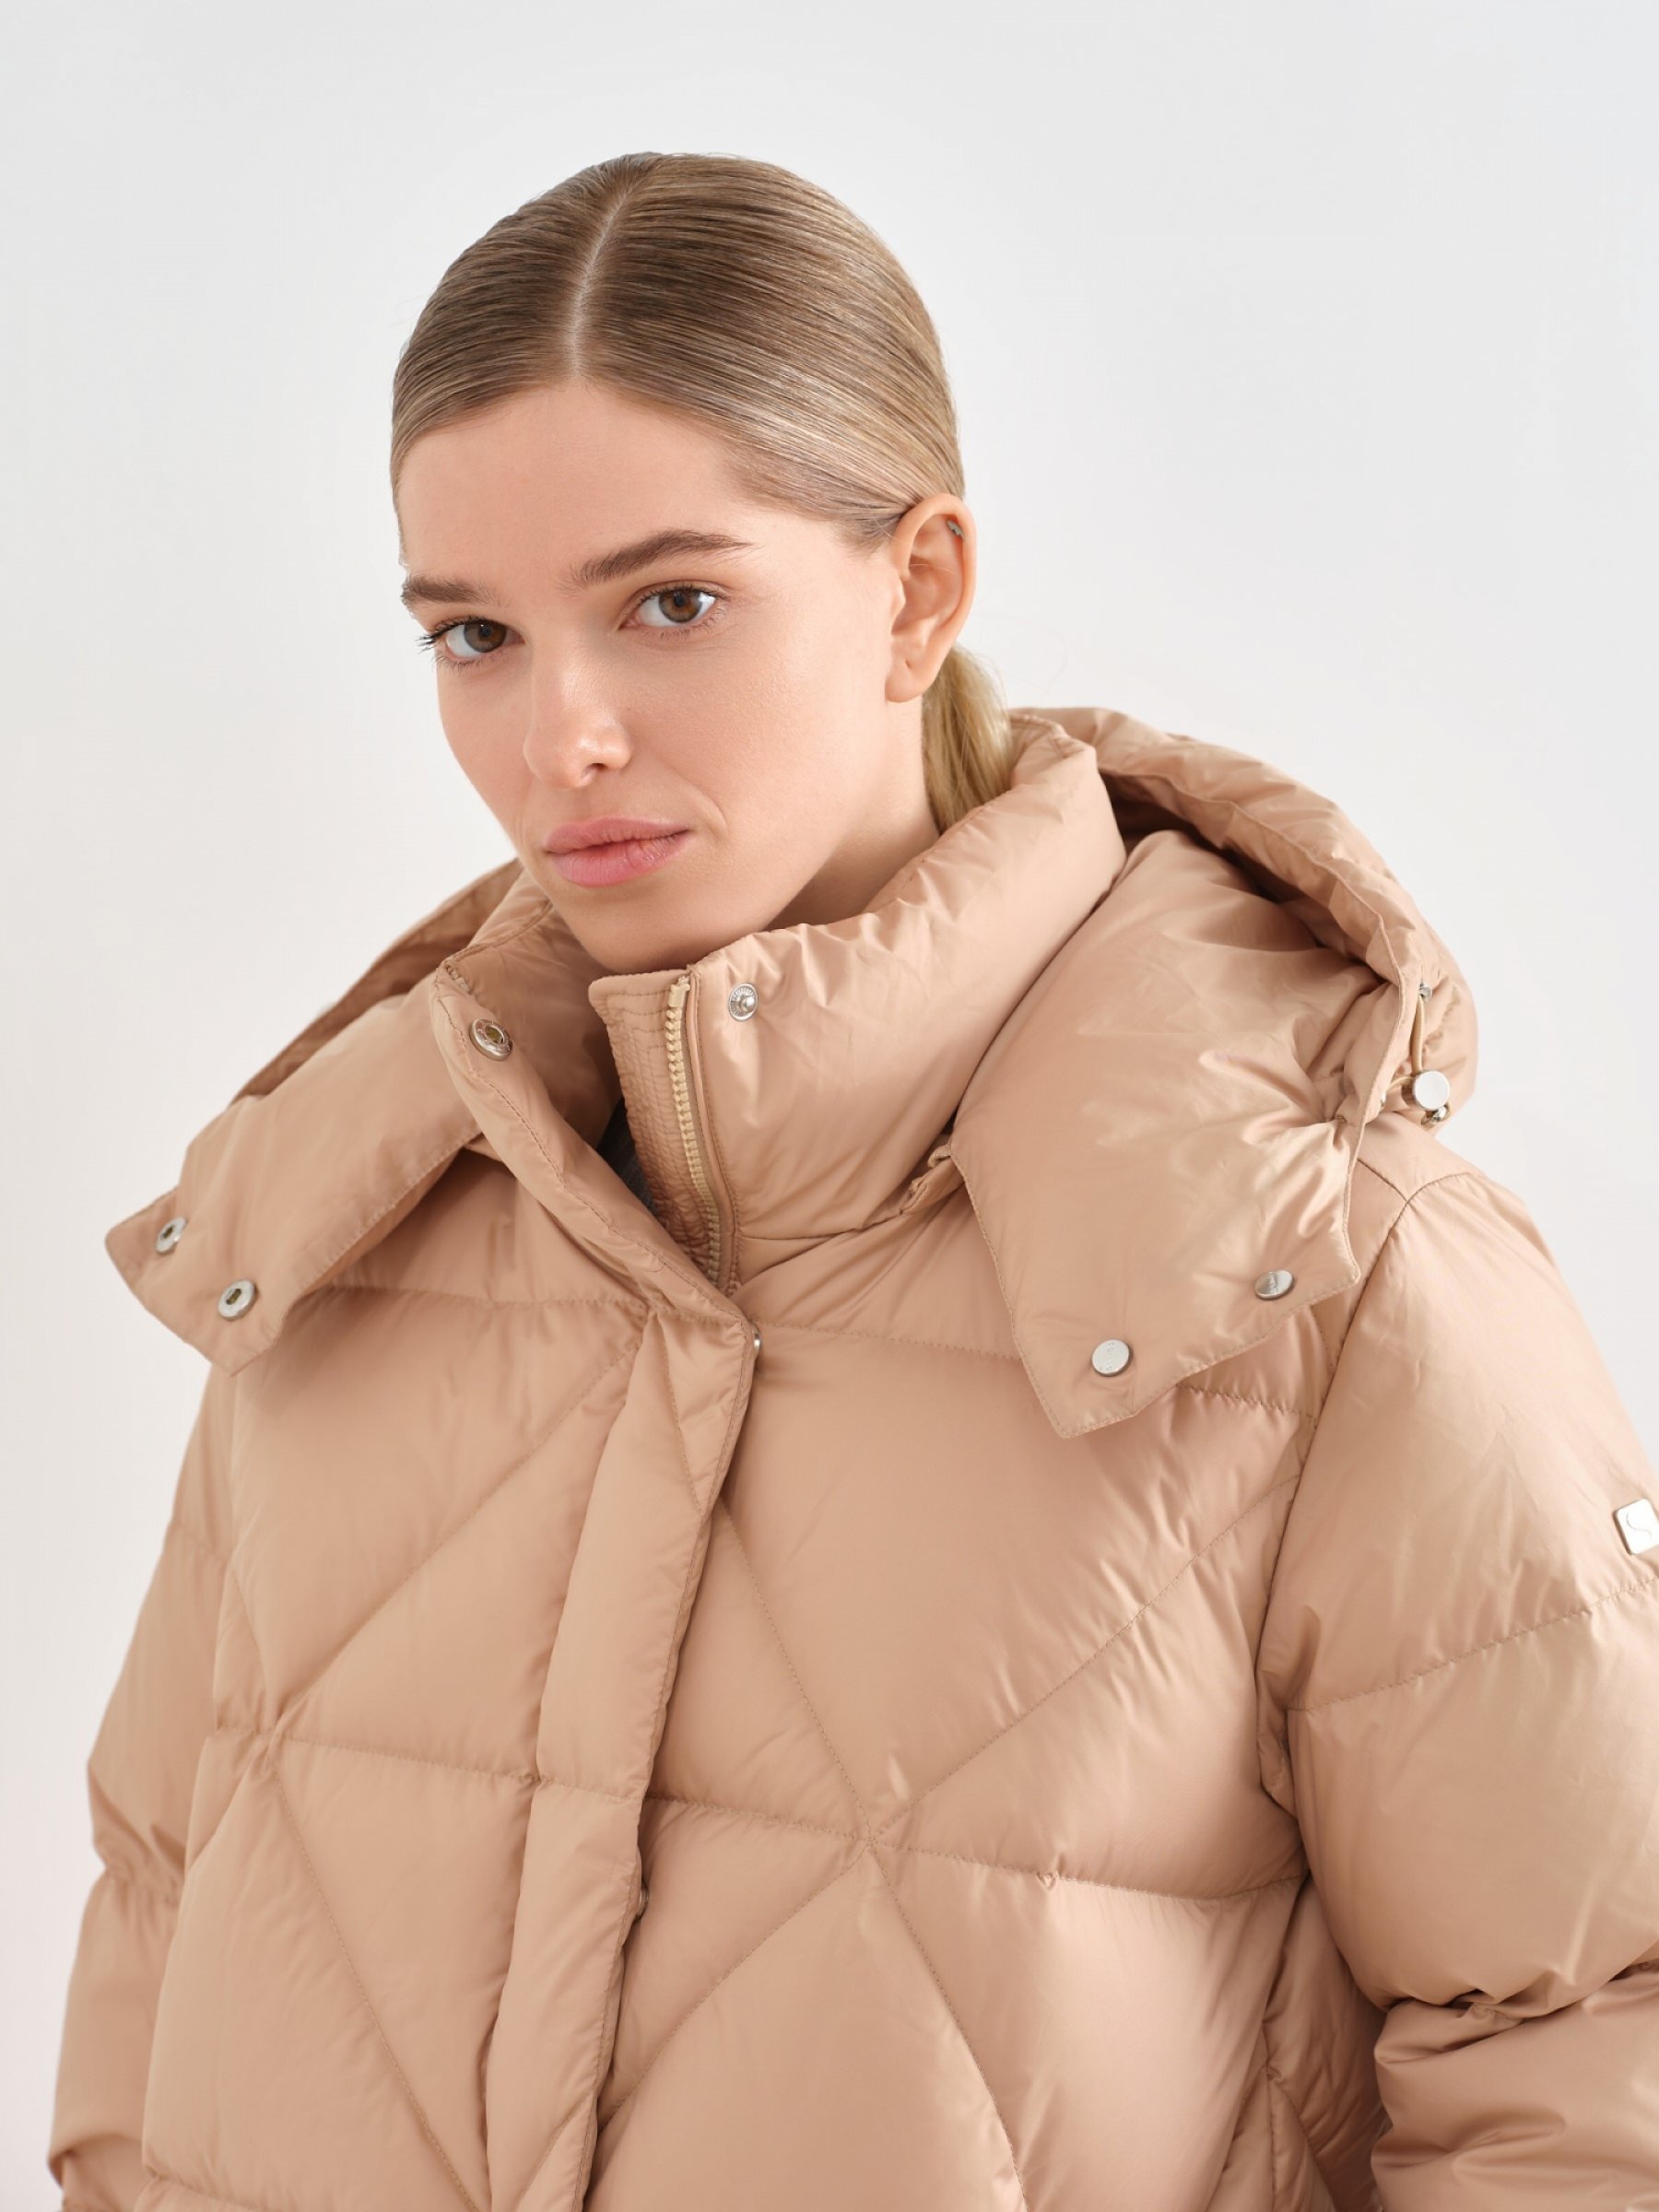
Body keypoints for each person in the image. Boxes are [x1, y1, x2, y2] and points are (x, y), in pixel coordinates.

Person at [47, 149, 1659, 2212]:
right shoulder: (353, 1224)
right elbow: (162, 1938)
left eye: (672, 604)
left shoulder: (1312, 1269)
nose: (562, 736)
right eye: (474, 635)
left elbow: (1593, 2053)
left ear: (917, 590)